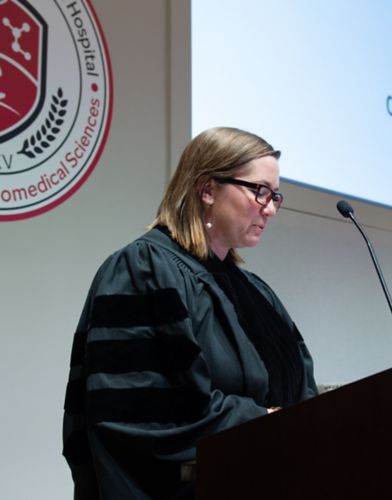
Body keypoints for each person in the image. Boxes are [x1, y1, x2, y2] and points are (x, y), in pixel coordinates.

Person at [62, 127, 318, 499]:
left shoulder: (256, 292)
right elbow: (141, 408)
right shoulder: (142, 270)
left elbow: (300, 392)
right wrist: (261, 422)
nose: (272, 208)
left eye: (276, 194)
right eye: (260, 191)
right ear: (208, 189)